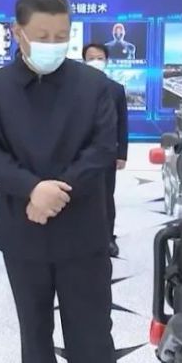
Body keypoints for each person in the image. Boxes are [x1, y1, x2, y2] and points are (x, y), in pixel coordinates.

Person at [0, 0, 119, 363]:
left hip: (83, 233)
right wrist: (32, 189)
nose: (53, 44)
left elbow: (102, 149)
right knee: (34, 332)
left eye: (62, 36)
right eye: (42, 36)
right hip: (24, 231)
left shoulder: (94, 85)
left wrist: (55, 192)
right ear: (17, 32)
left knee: (91, 332)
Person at [83, 43, 129, 257]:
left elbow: (122, 123)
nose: (95, 62)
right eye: (91, 58)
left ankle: (108, 238)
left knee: (106, 197)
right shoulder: (75, 88)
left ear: (107, 61)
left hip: (107, 153)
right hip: (80, 153)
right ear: (84, 61)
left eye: (99, 58)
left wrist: (122, 154)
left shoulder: (116, 89)